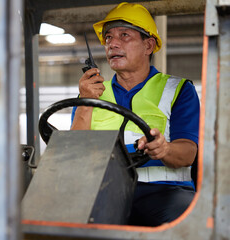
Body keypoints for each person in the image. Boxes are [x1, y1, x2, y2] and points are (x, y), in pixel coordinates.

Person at [71, 2, 200, 226]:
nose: (113, 44)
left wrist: (164, 148)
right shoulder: (90, 93)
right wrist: (85, 102)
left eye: (124, 35)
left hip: (164, 194)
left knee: (190, 226)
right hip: (103, 195)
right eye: (108, 38)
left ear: (148, 45)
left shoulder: (177, 90)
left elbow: (188, 153)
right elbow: (73, 155)